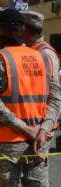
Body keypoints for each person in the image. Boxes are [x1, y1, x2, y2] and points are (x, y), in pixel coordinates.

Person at [0, 8, 60, 186]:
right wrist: (42, 131)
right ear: (21, 29)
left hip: (7, 146)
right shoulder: (42, 58)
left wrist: (27, 130)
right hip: (38, 144)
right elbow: (55, 100)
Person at [21, 10, 61, 151]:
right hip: (30, 128)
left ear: (24, 28)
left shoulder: (45, 54)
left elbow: (54, 97)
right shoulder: (29, 50)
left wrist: (43, 129)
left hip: (40, 129)